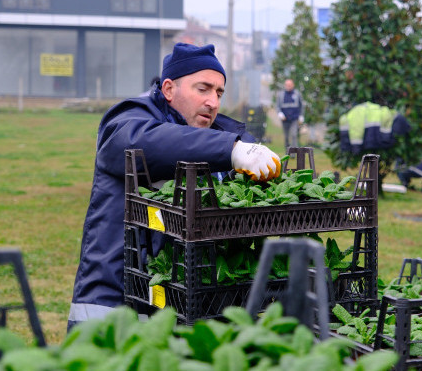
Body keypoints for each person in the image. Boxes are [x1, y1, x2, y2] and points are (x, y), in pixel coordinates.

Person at [68, 43, 281, 329]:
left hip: (179, 308)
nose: (213, 102)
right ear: (169, 89)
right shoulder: (128, 121)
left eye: (219, 92)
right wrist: (230, 150)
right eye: (203, 89)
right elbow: (149, 142)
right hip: (114, 305)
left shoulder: (218, 136)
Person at [276, 79, 304, 150]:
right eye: (287, 85)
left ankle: (294, 152)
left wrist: (301, 115)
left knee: (294, 135)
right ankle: (287, 152)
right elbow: (277, 106)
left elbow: (301, 105)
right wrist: (279, 113)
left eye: (290, 85)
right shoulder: (281, 95)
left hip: (294, 118)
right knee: (286, 137)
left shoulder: (297, 94)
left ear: (293, 85)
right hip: (285, 119)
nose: (288, 86)